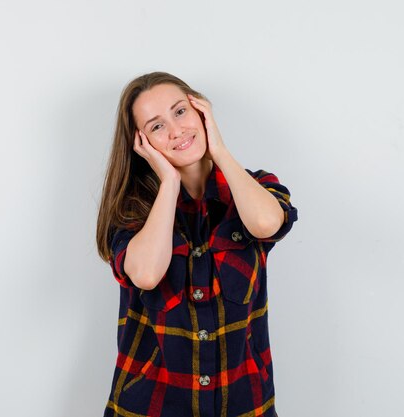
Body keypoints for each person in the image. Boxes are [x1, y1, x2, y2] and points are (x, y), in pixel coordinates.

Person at [95, 71, 298, 417]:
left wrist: (218, 149)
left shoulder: (255, 189)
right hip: (151, 406)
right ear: (140, 142)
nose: (175, 131)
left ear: (201, 111)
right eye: (156, 126)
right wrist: (170, 183)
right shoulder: (132, 212)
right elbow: (145, 273)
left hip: (243, 403)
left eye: (180, 112)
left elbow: (266, 224)